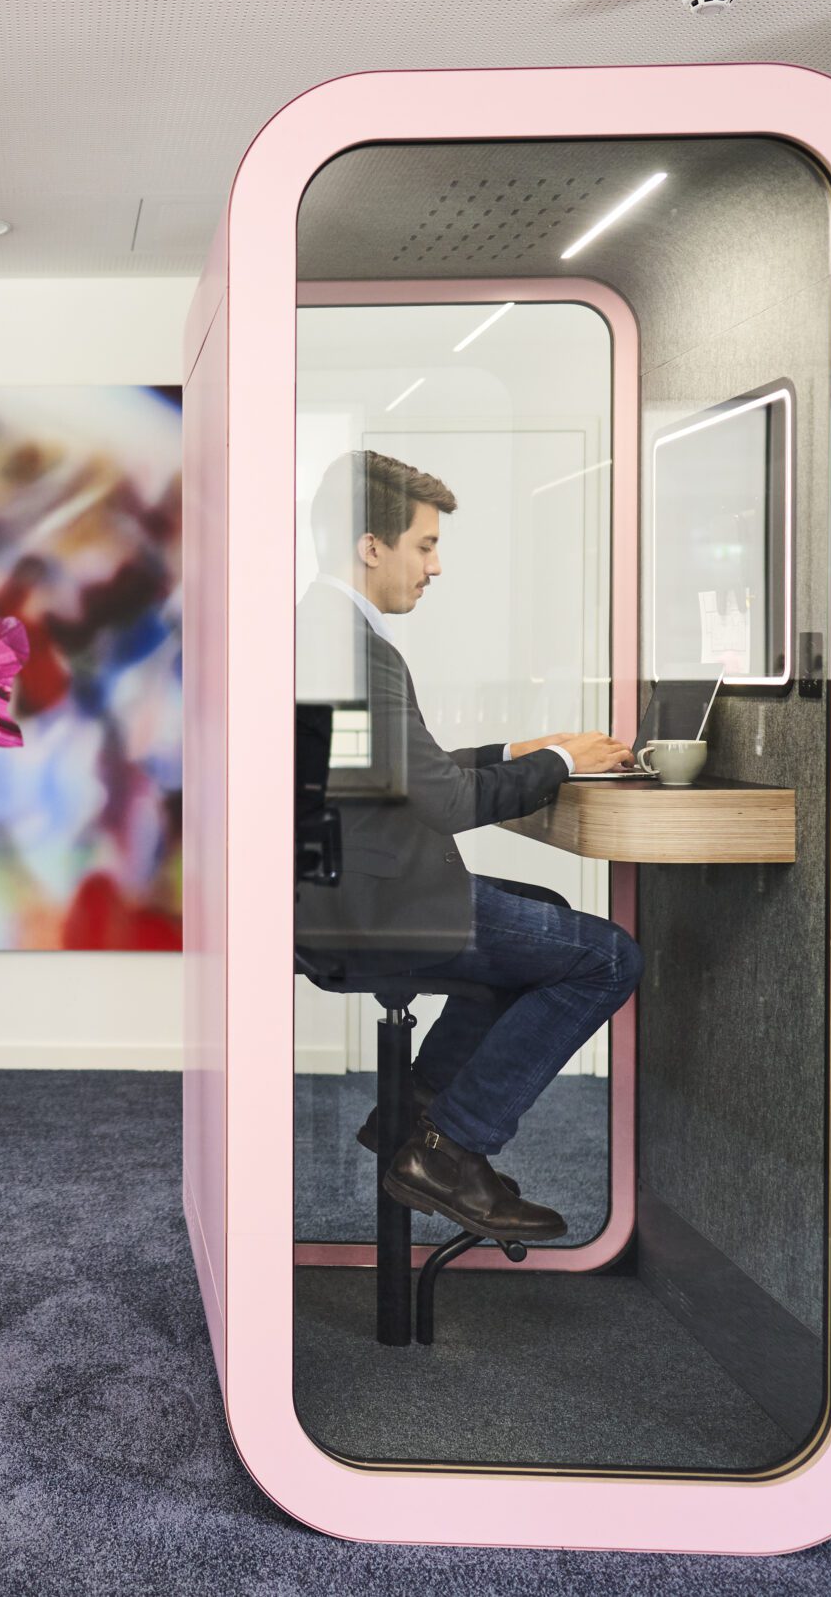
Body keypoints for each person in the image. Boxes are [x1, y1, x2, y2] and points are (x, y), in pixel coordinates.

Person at [297, 449, 643, 1241]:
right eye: (425, 544)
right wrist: (560, 767)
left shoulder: (322, 629)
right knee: (608, 957)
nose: (437, 566)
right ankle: (450, 1152)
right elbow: (445, 805)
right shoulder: (353, 645)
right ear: (370, 544)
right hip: (373, 911)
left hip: (338, 895)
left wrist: (522, 751)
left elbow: (397, 776)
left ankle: (413, 1121)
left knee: (546, 917)